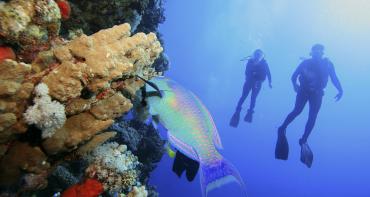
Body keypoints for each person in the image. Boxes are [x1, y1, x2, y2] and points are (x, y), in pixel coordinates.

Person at [275, 44, 343, 168]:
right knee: (297, 111)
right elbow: (293, 76)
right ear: (311, 52)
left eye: (320, 50)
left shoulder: (328, 64)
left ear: (323, 53)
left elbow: (334, 78)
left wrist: (340, 89)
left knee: (312, 117)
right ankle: (282, 128)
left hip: (317, 94)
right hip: (304, 91)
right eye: (315, 50)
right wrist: (295, 86)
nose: (318, 52)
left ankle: (304, 139)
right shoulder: (305, 63)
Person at [230, 49, 272, 127]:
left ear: (262, 56)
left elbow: (268, 73)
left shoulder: (264, 63)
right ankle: (240, 111)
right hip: (250, 81)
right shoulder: (250, 61)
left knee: (252, 98)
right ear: (254, 55)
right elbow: (246, 72)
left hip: (257, 82)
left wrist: (269, 82)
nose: (257, 56)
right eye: (256, 54)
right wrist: (269, 82)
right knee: (245, 96)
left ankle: (247, 112)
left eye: (259, 55)